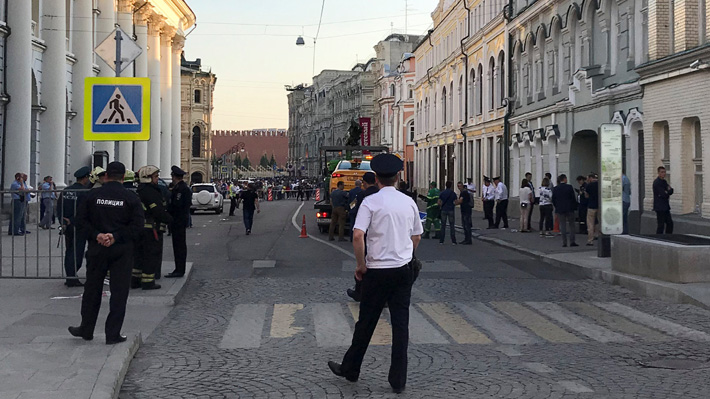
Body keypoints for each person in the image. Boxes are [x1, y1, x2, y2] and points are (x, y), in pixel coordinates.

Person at [328, 154, 422, 394]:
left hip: (377, 271)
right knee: (401, 326)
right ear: (398, 177)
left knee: (366, 322)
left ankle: (351, 369)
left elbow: (358, 235)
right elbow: (417, 236)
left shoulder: (371, 202)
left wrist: (361, 265)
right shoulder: (409, 202)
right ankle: (398, 380)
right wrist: (405, 255)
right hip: (402, 271)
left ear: (377, 178)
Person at [68, 161, 144, 345]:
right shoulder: (131, 198)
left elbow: (80, 221)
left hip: (97, 249)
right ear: (124, 177)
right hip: (121, 251)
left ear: (106, 176)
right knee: (119, 293)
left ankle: (86, 329)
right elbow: (137, 226)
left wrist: (98, 235)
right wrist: (115, 236)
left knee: (92, 290)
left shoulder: (92, 195)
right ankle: (113, 334)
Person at [133, 166, 173, 290]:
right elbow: (157, 211)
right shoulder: (150, 191)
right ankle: (148, 281)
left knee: (138, 256)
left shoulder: (140, 190)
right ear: (147, 178)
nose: (157, 179)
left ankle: (135, 280)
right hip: (151, 230)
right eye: (155, 177)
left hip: (141, 229)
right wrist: (170, 220)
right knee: (151, 255)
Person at [347, 172, 379, 302]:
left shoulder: (361, 195)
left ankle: (359, 291)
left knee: (364, 263)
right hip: (380, 233)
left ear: (364, 183)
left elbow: (352, 208)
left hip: (365, 232)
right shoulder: (380, 194)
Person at [59, 166, 91, 287]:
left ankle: (70, 275)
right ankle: (72, 277)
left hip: (67, 227)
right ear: (86, 178)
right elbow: (83, 211)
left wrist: (62, 220)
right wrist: (72, 221)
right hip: (79, 226)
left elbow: (59, 207)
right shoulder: (84, 192)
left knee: (69, 251)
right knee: (77, 252)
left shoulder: (66, 190)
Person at [166, 166, 191, 278]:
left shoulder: (181, 189)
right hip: (178, 220)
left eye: (172, 176)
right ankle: (178, 268)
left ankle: (180, 269)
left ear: (175, 177)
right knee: (178, 246)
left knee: (179, 246)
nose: (171, 178)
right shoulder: (179, 188)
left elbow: (177, 205)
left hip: (178, 220)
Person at [552, 174, 579, 248]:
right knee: (571, 225)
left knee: (562, 225)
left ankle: (564, 242)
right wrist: (575, 207)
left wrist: (557, 206)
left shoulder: (556, 188)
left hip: (560, 209)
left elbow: (553, 199)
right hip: (569, 208)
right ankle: (572, 241)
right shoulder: (569, 187)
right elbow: (573, 198)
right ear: (564, 179)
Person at [653, 166, 674, 234]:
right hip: (659, 207)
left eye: (664, 172)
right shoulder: (657, 182)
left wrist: (667, 192)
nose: (664, 174)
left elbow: (670, 191)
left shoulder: (664, 182)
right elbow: (663, 194)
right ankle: (659, 237)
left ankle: (668, 236)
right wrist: (667, 192)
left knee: (670, 223)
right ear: (658, 173)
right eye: (662, 172)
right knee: (661, 224)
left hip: (665, 206)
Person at [584, 173, 599, 246]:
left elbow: (586, 196)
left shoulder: (589, 185)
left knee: (590, 223)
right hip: (600, 206)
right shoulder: (600, 184)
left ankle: (590, 240)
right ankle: (599, 235)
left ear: (590, 178)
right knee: (599, 222)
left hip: (591, 206)